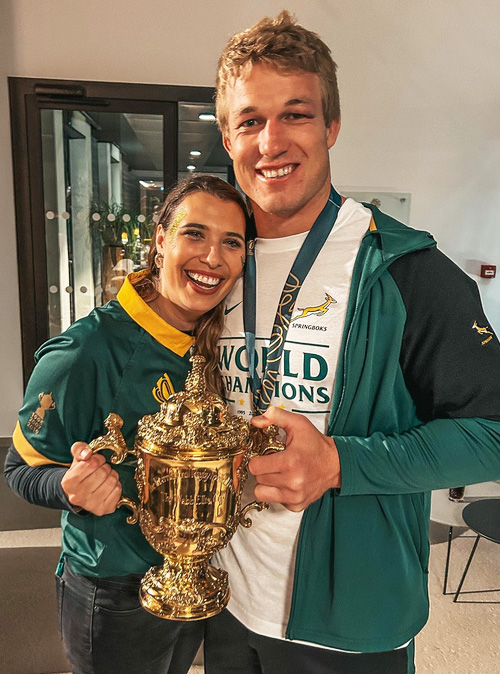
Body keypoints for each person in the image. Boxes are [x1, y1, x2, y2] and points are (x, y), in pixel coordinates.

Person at [203, 11, 500, 674]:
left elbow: (494, 430)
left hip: (350, 625)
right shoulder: (215, 266)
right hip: (225, 603)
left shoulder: (405, 270)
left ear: (331, 125)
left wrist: (340, 462)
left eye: (296, 114)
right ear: (227, 135)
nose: (271, 141)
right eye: (250, 120)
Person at [4, 174, 247, 674]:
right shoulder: (85, 351)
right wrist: (71, 489)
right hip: (114, 588)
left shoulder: (224, 342)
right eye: (195, 234)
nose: (213, 258)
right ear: (160, 240)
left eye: (232, 242)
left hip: (197, 574)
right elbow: (20, 469)